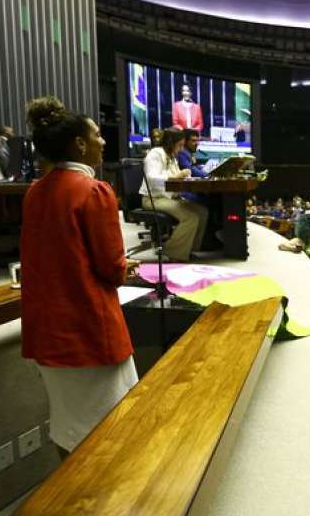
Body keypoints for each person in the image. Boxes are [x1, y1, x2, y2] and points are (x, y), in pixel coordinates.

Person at [19, 96, 140, 456]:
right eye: (98, 135)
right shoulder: (94, 191)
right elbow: (110, 269)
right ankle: (102, 505)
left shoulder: (34, 192)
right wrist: (123, 266)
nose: (104, 142)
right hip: (88, 329)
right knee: (110, 427)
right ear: (80, 144)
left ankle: (70, 505)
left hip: (47, 331)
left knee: (68, 426)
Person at [139, 129, 208, 262]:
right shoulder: (155, 154)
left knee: (202, 212)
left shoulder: (171, 157)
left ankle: (188, 249)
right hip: (153, 199)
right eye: (180, 145)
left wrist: (183, 175)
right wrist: (175, 176)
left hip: (169, 198)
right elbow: (151, 178)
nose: (181, 149)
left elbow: (176, 178)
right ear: (171, 143)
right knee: (190, 217)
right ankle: (174, 253)